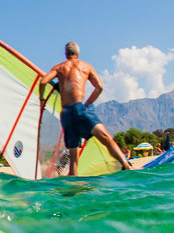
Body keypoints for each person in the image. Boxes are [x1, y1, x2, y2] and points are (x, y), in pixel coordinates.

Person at [38, 42, 133, 175]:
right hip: (80, 109)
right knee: (106, 138)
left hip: (66, 114)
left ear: (66, 54)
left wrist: (42, 100)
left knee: (73, 158)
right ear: (78, 53)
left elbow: (43, 81)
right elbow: (99, 87)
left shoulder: (59, 68)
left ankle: (74, 184)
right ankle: (126, 165)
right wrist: (88, 102)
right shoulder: (85, 66)